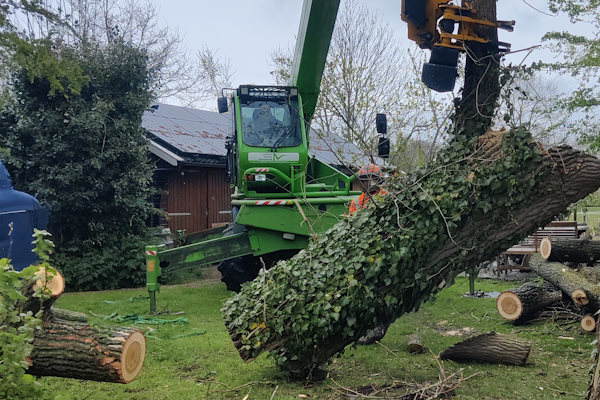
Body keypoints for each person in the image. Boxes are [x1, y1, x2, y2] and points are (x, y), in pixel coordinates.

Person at [349, 163, 392, 345]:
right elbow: (350, 226)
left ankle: (379, 327)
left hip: (382, 251)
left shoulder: (387, 198)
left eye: (371, 179)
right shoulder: (357, 201)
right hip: (362, 253)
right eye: (364, 179)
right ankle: (364, 326)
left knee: (380, 290)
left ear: (379, 180)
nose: (368, 183)